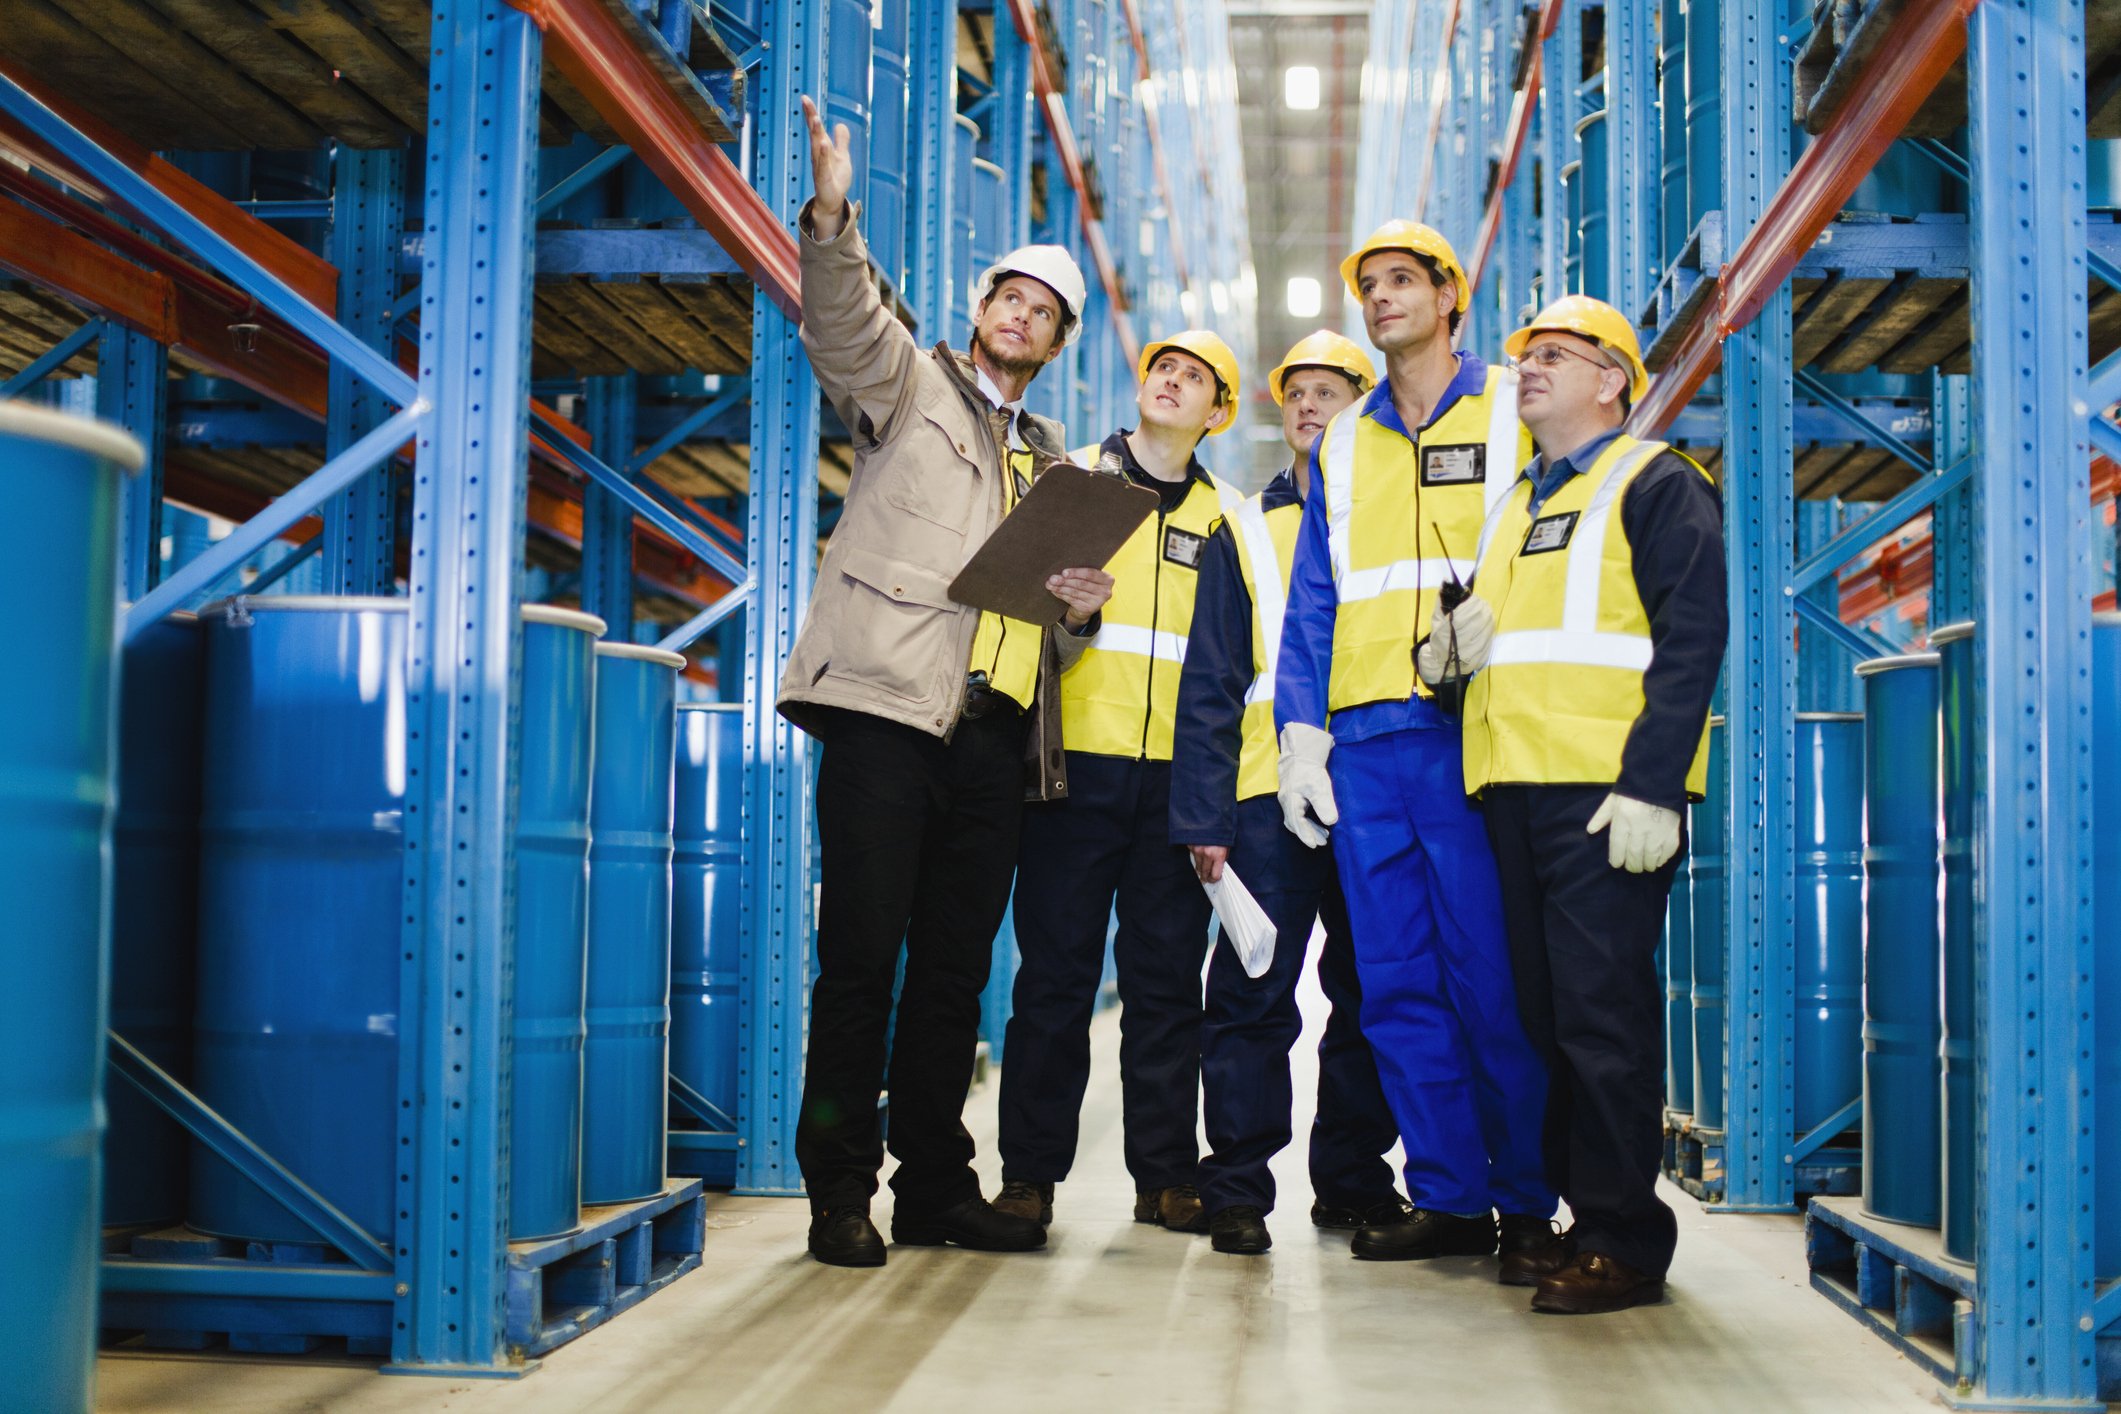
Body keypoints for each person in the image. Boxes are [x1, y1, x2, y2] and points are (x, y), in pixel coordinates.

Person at [779, 96, 1114, 1268]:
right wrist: (832, 217)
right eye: (1009, 296)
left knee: (956, 975)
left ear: (1059, 339)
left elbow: (1054, 631)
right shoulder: (911, 389)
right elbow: (843, 325)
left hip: (994, 740)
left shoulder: (1057, 460)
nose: (1022, 315)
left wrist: (1078, 605)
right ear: (982, 310)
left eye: (1045, 310)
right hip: (886, 715)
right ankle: (837, 1190)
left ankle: (933, 1186)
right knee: (863, 959)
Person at [1273, 220, 1559, 1270]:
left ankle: (1526, 1201)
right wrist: (1301, 737)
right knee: (1393, 982)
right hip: (1364, 743)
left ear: (1451, 297)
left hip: (1470, 732)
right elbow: (1315, 596)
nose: (1381, 299)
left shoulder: (1508, 401)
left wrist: (1503, 616)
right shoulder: (1343, 437)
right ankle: (1446, 1192)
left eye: (1403, 282)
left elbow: (1556, 521)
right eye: (1370, 285)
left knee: (1490, 977)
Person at [1435, 295, 1726, 1313]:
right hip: (1514, 789)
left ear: (1613, 380)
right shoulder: (1517, 503)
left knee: (1603, 1019)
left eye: (1553, 354)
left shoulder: (1654, 484)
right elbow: (1506, 647)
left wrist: (1654, 782)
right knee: (1549, 1016)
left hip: (1606, 799)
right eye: (1523, 358)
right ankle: (1581, 1215)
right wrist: (1447, 660)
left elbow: (1692, 638)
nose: (1529, 369)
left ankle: (1624, 1239)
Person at [993, 331, 1245, 1236]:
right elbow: (1010, 616)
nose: (1172, 383)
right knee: (1054, 984)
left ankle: (1166, 1178)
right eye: (1162, 369)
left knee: (1167, 987)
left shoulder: (1229, 522)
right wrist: (1067, 615)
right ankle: (1028, 1179)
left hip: (1177, 784)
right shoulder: (1074, 487)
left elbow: (1232, 669)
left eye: (1194, 378)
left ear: (1218, 412)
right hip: (1073, 773)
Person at [1168, 330, 1406, 1256]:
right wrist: (1204, 815)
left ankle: (1352, 1179)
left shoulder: (1390, 516)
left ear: (1365, 406)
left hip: (1379, 788)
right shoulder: (1244, 529)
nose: (1309, 406)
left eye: (1330, 391)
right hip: (1266, 800)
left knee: (1374, 993)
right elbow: (1211, 679)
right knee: (1250, 997)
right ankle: (1234, 1189)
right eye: (1296, 392)